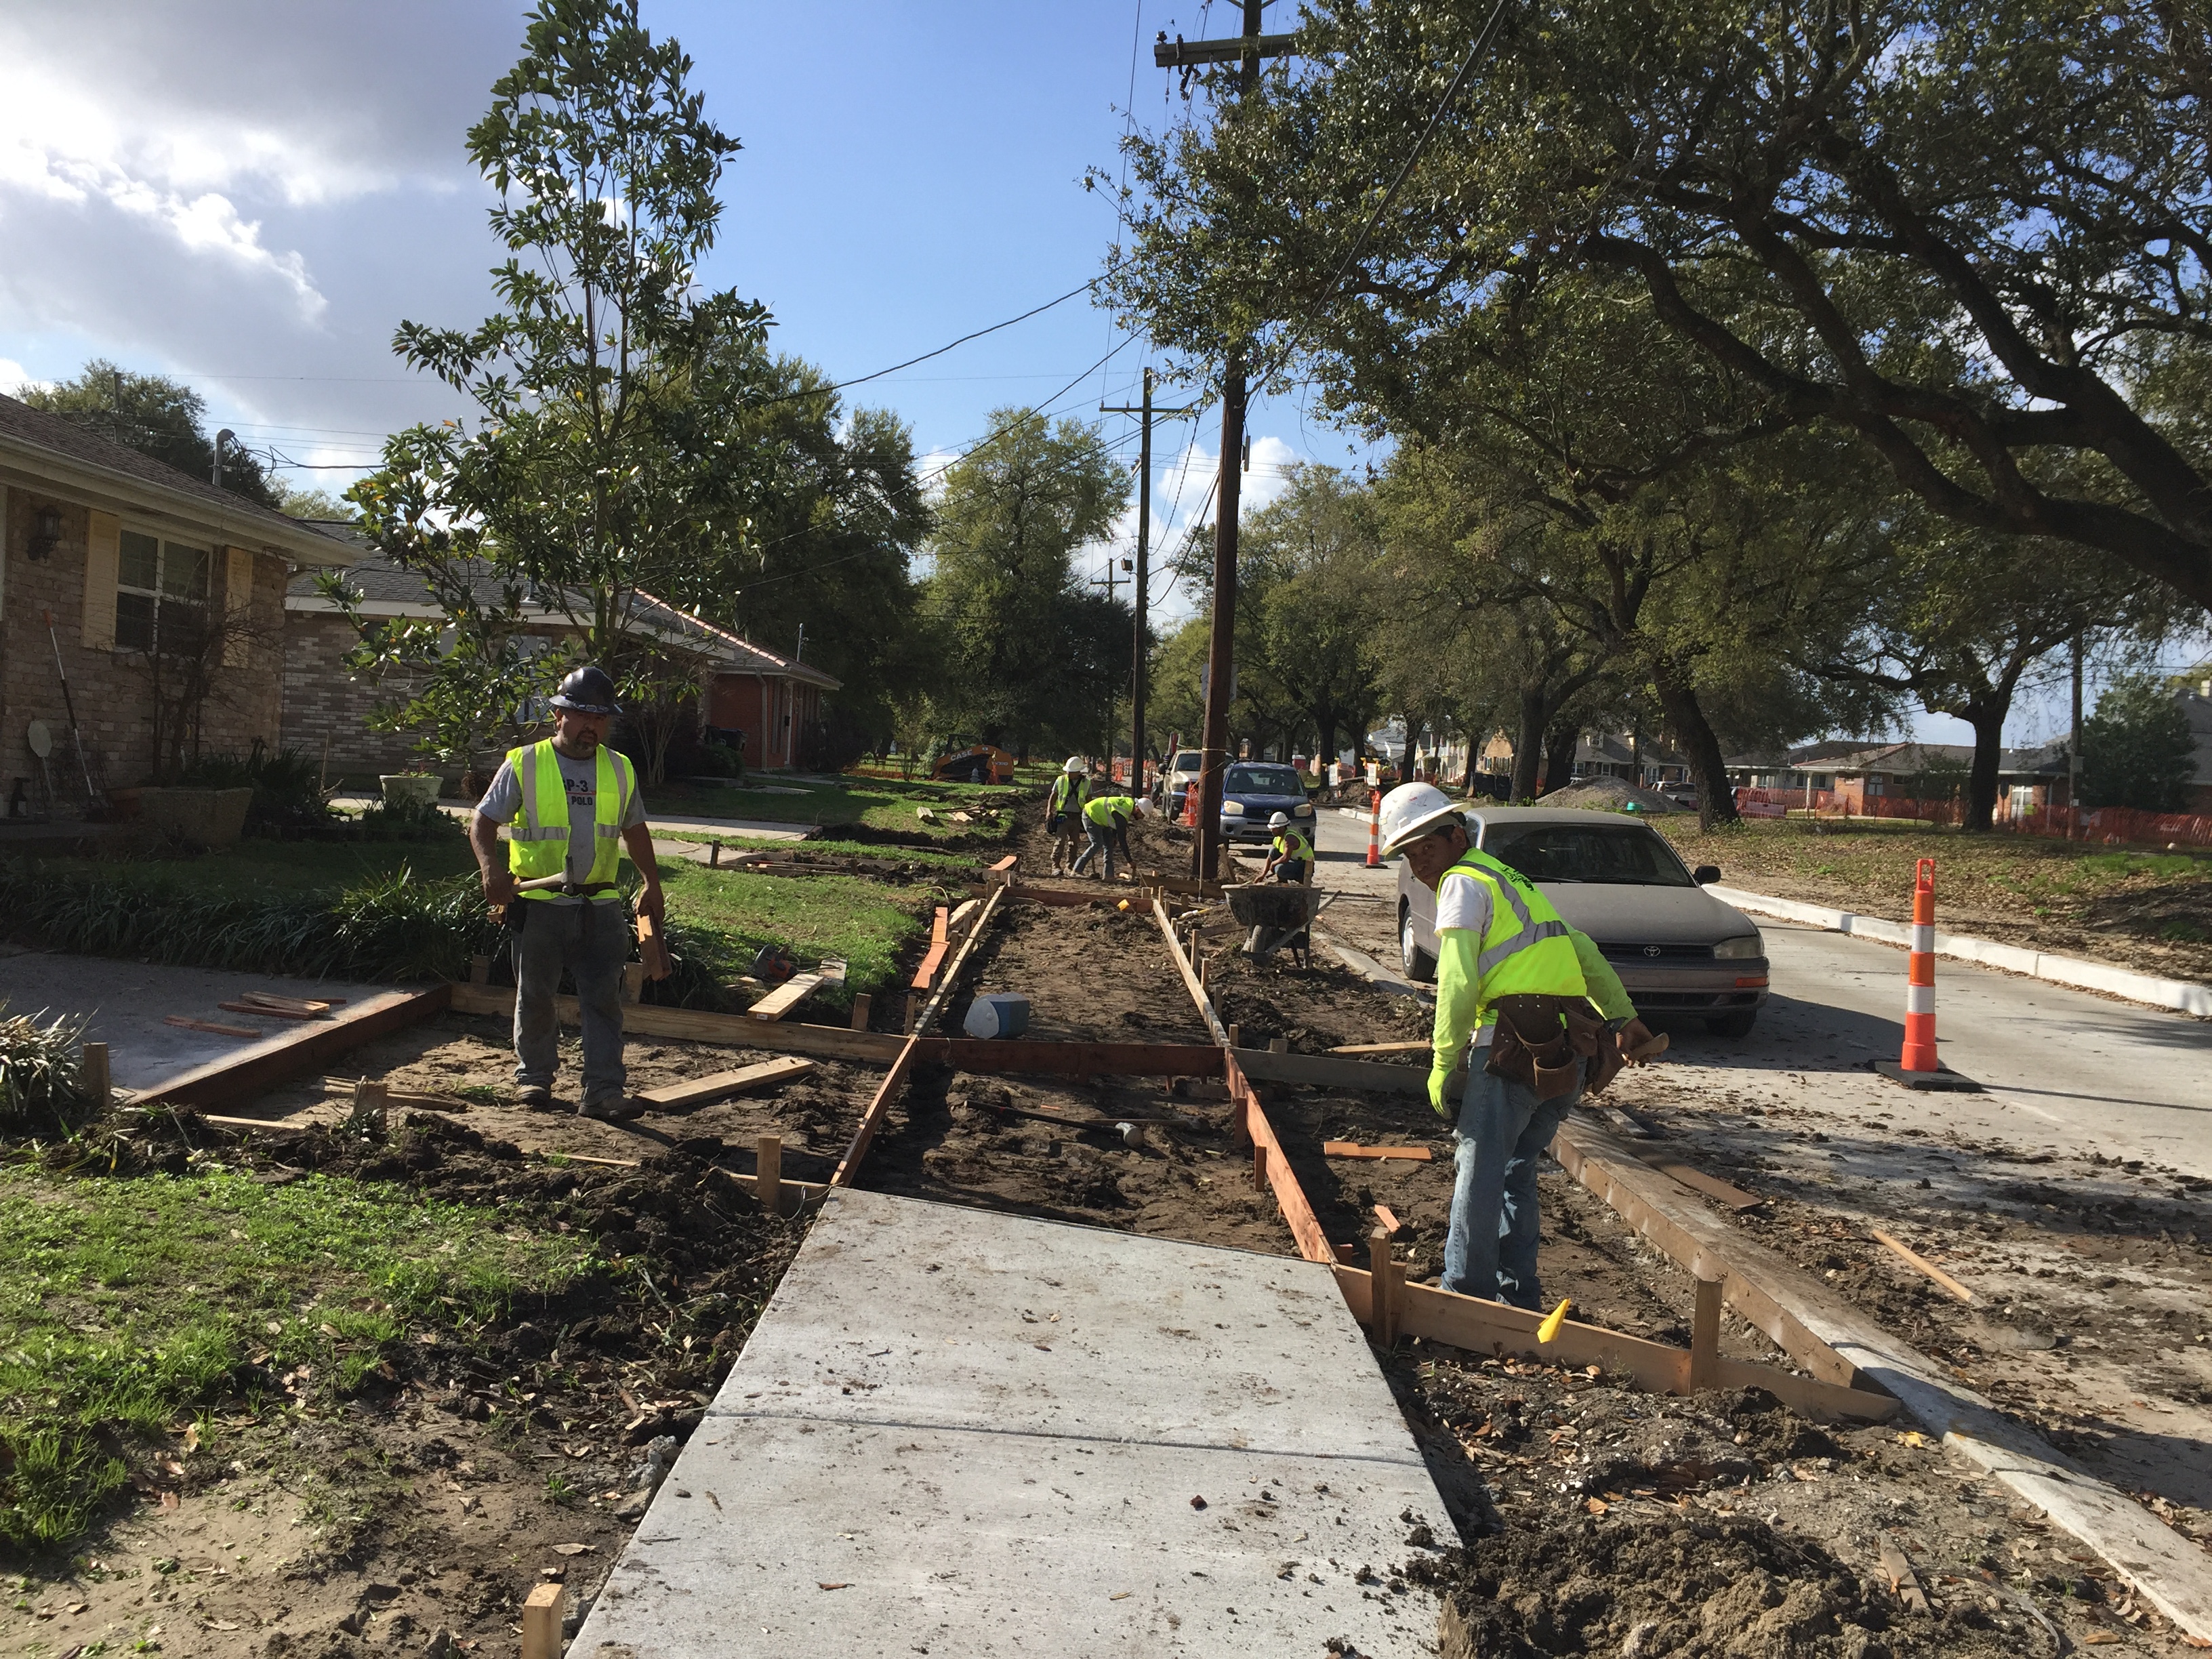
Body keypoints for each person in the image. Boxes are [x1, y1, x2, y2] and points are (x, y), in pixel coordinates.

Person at [1377, 783, 1654, 1308]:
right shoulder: (1510, 880)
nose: (1420, 866)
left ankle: (1464, 1296)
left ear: (1456, 836)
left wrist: (1443, 1059)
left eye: (1426, 849)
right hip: (1567, 1051)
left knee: (1478, 1170)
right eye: (1409, 856)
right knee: (1514, 1170)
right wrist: (1624, 1017)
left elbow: (1456, 980)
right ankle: (1518, 1295)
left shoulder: (1463, 881)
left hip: (1513, 1046)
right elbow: (1585, 951)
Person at [470, 665, 665, 1120]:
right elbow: (482, 822)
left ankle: (603, 1092)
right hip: (538, 907)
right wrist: (490, 870)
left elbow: (635, 832)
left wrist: (651, 883)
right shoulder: (525, 763)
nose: (591, 726)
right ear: (559, 715)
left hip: (599, 905)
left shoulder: (619, 769)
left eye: (600, 719)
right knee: (535, 995)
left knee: (603, 1001)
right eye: (581, 716)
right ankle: (534, 1080)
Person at [1073, 790, 1151, 880]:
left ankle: (1108, 875)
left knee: (1109, 844)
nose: (1142, 818)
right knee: (1097, 844)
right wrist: (1129, 860)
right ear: (1138, 809)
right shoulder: (1123, 813)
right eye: (1143, 815)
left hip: (1102, 817)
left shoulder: (1128, 805)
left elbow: (1113, 819)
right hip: (1091, 814)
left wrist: (1113, 836)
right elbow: (1122, 840)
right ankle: (1077, 870)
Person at [1046, 756, 1086, 874]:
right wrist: (1049, 811)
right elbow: (1053, 797)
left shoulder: (1086, 783)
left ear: (1078, 772)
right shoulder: (1061, 780)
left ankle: (1070, 866)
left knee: (1074, 843)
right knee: (1060, 841)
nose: (1068, 773)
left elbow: (1089, 801)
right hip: (1063, 816)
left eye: (1071, 772)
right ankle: (1055, 866)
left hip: (1077, 817)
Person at [1258, 811, 1313, 884]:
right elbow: (1270, 857)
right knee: (1273, 851)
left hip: (1303, 865)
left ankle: (1301, 881)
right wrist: (1263, 874)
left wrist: (1273, 864)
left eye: (1274, 828)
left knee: (1279, 869)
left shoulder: (1290, 838)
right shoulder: (1278, 838)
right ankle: (1282, 881)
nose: (1271, 830)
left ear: (1280, 828)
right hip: (1293, 861)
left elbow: (1285, 858)